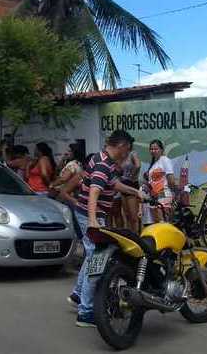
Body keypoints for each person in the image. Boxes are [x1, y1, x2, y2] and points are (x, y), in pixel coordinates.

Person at [69, 131, 143, 328]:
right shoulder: (103, 164)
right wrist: (93, 221)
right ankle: (85, 313)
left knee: (91, 255)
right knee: (96, 260)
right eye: (127, 150)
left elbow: (113, 184)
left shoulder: (102, 159)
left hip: (87, 213)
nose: (127, 155)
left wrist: (135, 191)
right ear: (121, 146)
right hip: (89, 215)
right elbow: (95, 191)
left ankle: (78, 294)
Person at [144, 140, 177, 223]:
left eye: (156, 149)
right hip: (154, 196)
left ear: (161, 150)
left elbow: (171, 179)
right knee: (158, 222)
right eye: (151, 149)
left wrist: (172, 194)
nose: (153, 151)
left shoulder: (165, 160)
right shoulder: (154, 163)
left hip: (163, 193)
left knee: (163, 222)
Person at [119, 149, 142, 233]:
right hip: (123, 185)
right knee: (127, 215)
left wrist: (132, 175)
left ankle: (136, 237)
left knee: (133, 216)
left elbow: (138, 165)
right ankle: (130, 235)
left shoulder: (132, 153)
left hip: (131, 184)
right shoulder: (121, 154)